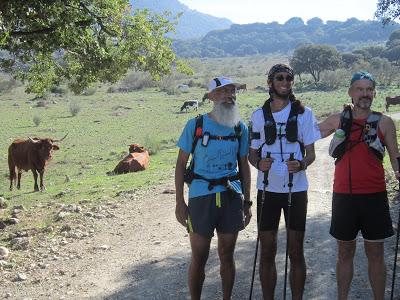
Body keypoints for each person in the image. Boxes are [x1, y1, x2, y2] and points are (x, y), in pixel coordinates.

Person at [318, 71, 398, 300]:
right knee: (344, 252)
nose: (365, 94)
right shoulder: (338, 119)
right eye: (360, 89)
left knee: (376, 252)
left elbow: (395, 157)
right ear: (351, 92)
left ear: (374, 93)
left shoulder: (384, 122)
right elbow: (310, 134)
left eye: (369, 89)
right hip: (344, 195)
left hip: (374, 195)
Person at [175, 76, 252, 300]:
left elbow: (244, 165)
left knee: (227, 255)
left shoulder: (240, 128)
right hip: (201, 197)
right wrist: (180, 202)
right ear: (210, 97)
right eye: (222, 92)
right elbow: (180, 164)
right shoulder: (195, 125)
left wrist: (247, 202)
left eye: (232, 91)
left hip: (231, 197)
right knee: (199, 257)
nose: (229, 95)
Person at [248, 64, 319, 300]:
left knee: (296, 250)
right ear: (270, 82)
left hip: (296, 189)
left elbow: (311, 153)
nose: (285, 82)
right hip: (267, 189)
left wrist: (302, 165)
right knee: (267, 251)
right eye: (280, 78)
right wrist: (258, 164)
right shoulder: (258, 116)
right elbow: (252, 154)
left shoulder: (305, 114)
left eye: (289, 78)